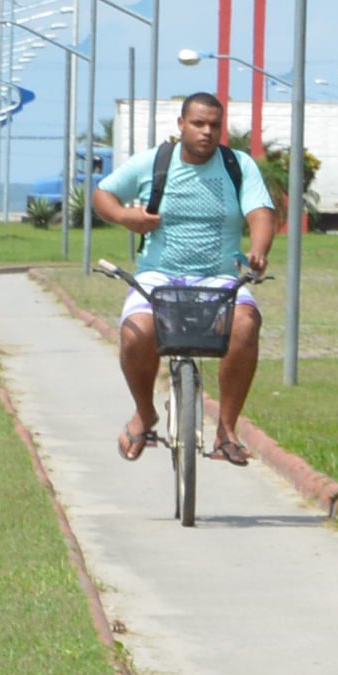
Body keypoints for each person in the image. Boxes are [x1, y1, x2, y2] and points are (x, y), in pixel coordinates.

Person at [93, 90, 277, 463]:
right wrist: (128, 218)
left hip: (219, 278)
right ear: (181, 125)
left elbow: (260, 213)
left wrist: (259, 250)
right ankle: (145, 413)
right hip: (158, 277)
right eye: (198, 124)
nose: (206, 132)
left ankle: (226, 430)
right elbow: (102, 195)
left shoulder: (236, 165)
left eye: (214, 125)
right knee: (136, 333)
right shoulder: (154, 163)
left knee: (246, 325)